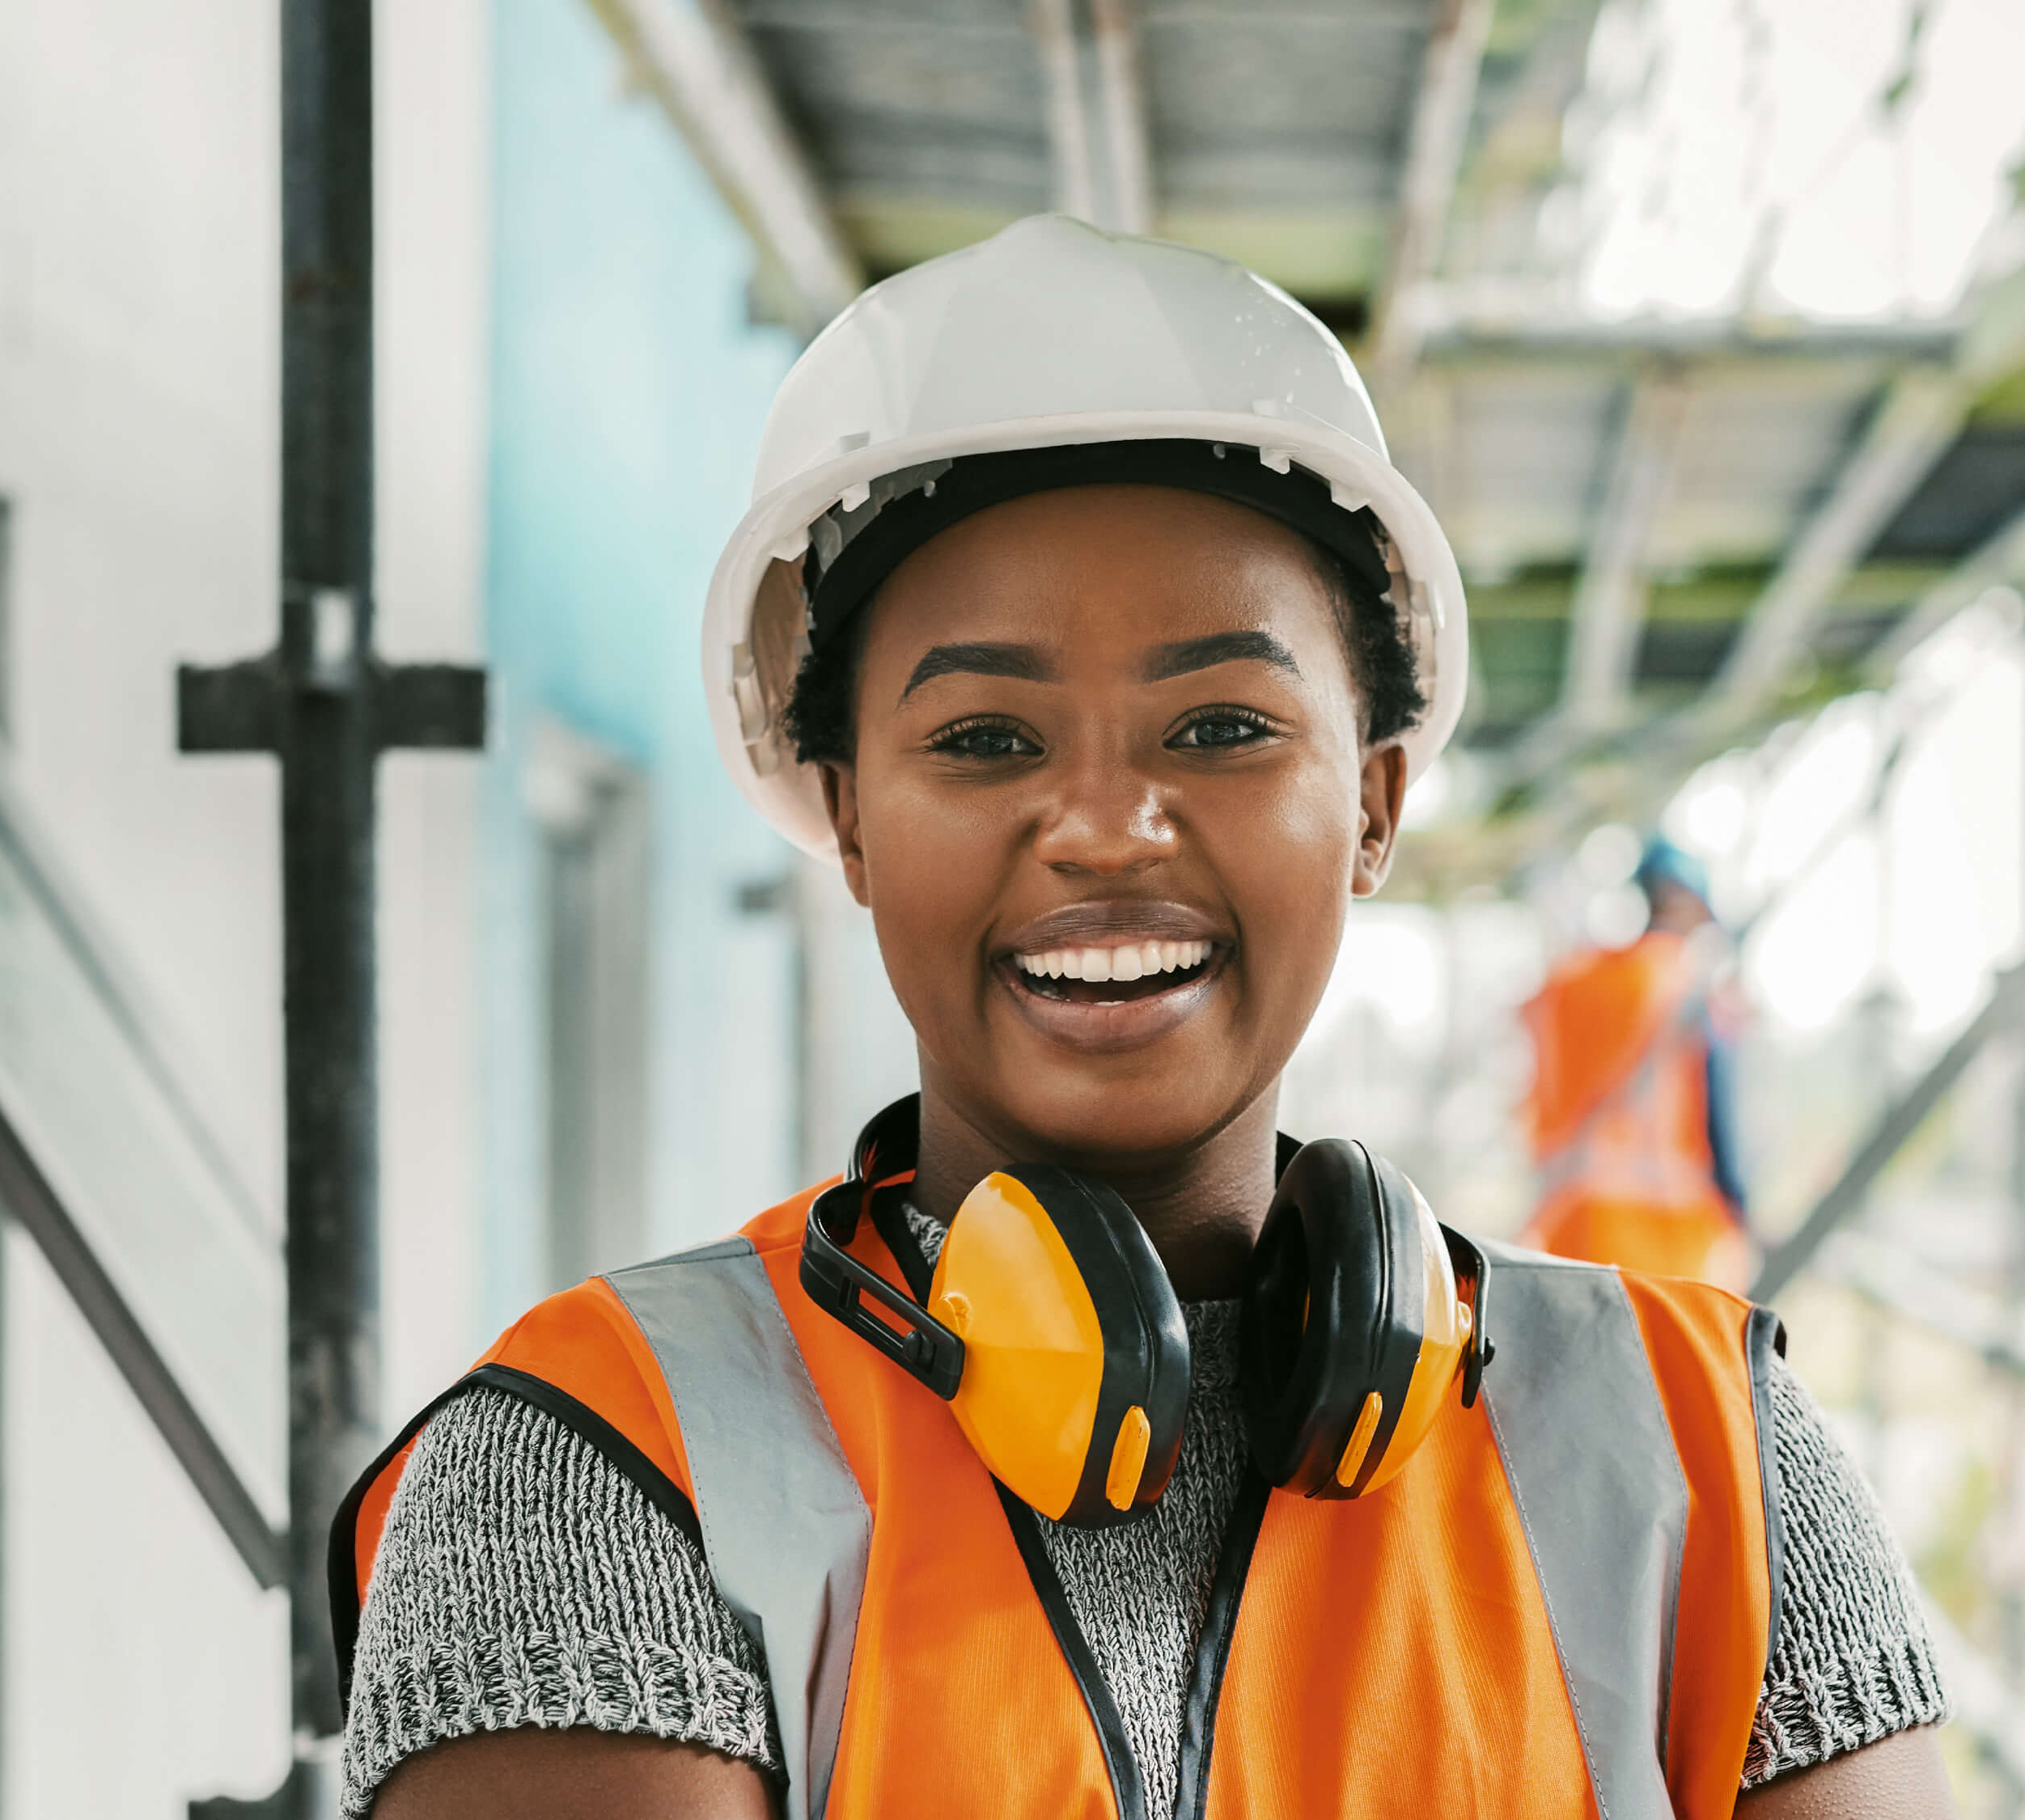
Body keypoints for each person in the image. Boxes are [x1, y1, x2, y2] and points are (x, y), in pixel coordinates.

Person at [333, 217, 1949, 1818]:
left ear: (1372, 804)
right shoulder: (598, 1464)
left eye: (1222, 724)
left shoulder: (1702, 1455)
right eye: (981, 740)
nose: (1103, 827)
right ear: (845, 821)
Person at [1519, 838, 1756, 1289]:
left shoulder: (1576, 983)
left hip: (1573, 1219)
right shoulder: (1691, 989)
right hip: (1667, 1232)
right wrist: (1740, 1206)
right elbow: (1718, 1115)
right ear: (1678, 898)